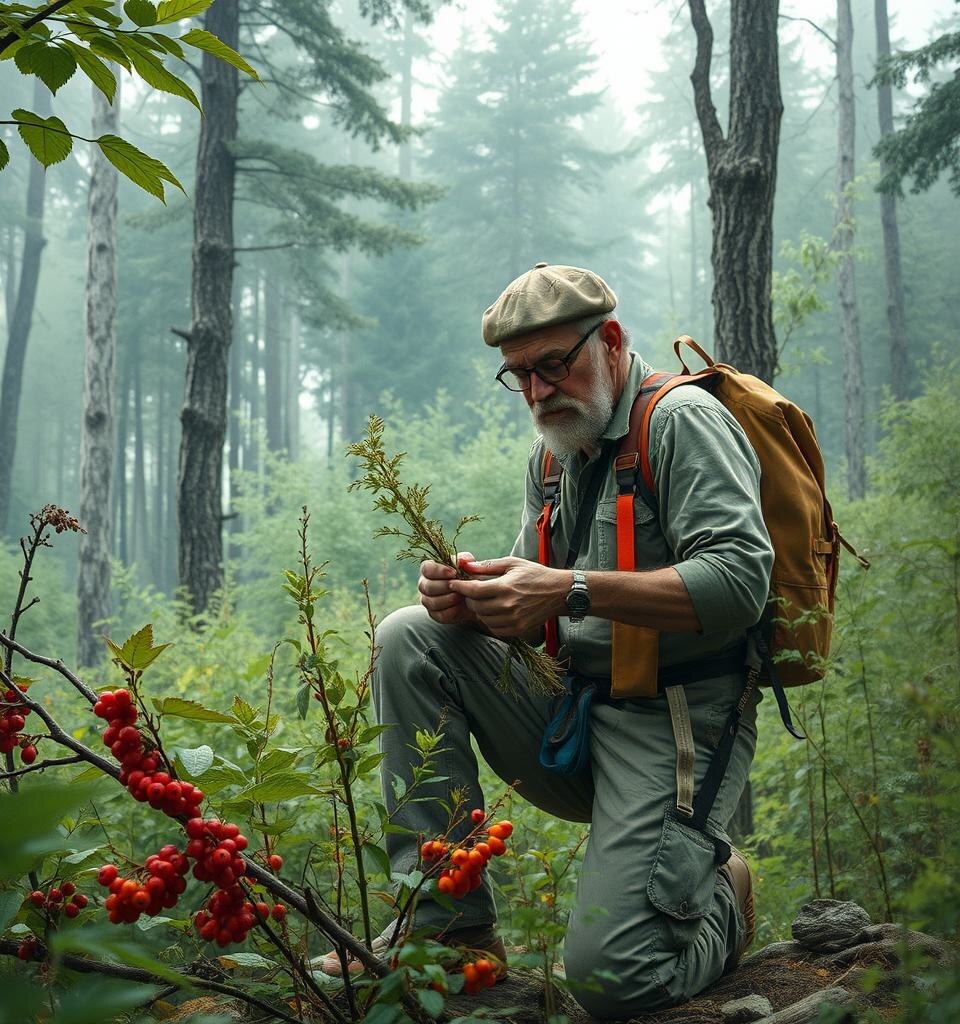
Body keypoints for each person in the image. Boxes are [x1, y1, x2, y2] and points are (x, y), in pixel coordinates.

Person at [322, 263, 774, 1018]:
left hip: (676, 724)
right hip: (575, 710)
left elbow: (740, 581)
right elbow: (537, 607)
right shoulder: (556, 453)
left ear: (611, 342)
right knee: (411, 636)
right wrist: (474, 604)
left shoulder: (682, 422)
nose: (536, 392)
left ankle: (725, 890)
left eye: (553, 366)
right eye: (519, 375)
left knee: (616, 982)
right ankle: (450, 930)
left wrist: (569, 588)